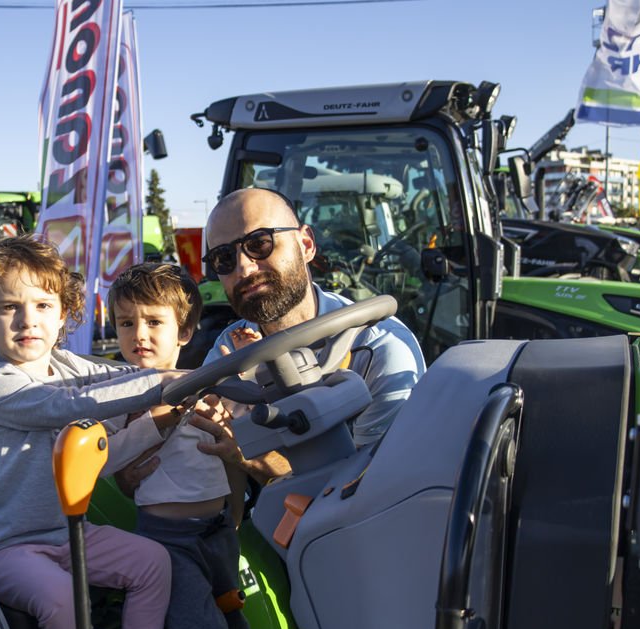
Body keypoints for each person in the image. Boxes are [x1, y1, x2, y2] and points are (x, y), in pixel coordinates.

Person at [0, 236, 182, 629]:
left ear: (63, 315)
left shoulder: (64, 364)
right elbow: (72, 406)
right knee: (63, 594)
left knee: (153, 562)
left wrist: (187, 375)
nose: (28, 320)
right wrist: (163, 383)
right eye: (8, 308)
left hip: (67, 535)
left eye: (43, 306)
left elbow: (114, 376)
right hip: (5, 548)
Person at [126, 187, 426, 486]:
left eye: (259, 243)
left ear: (306, 244)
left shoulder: (380, 348)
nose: (243, 267)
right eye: (223, 258)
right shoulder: (231, 347)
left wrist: (246, 454)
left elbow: (372, 490)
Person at [107, 263, 250, 629]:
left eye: (154, 321)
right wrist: (149, 423)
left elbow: (244, 421)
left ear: (184, 331)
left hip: (219, 529)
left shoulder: (203, 383)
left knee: (233, 622)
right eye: (126, 323)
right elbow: (104, 461)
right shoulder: (119, 396)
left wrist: (245, 364)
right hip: (168, 541)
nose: (139, 334)